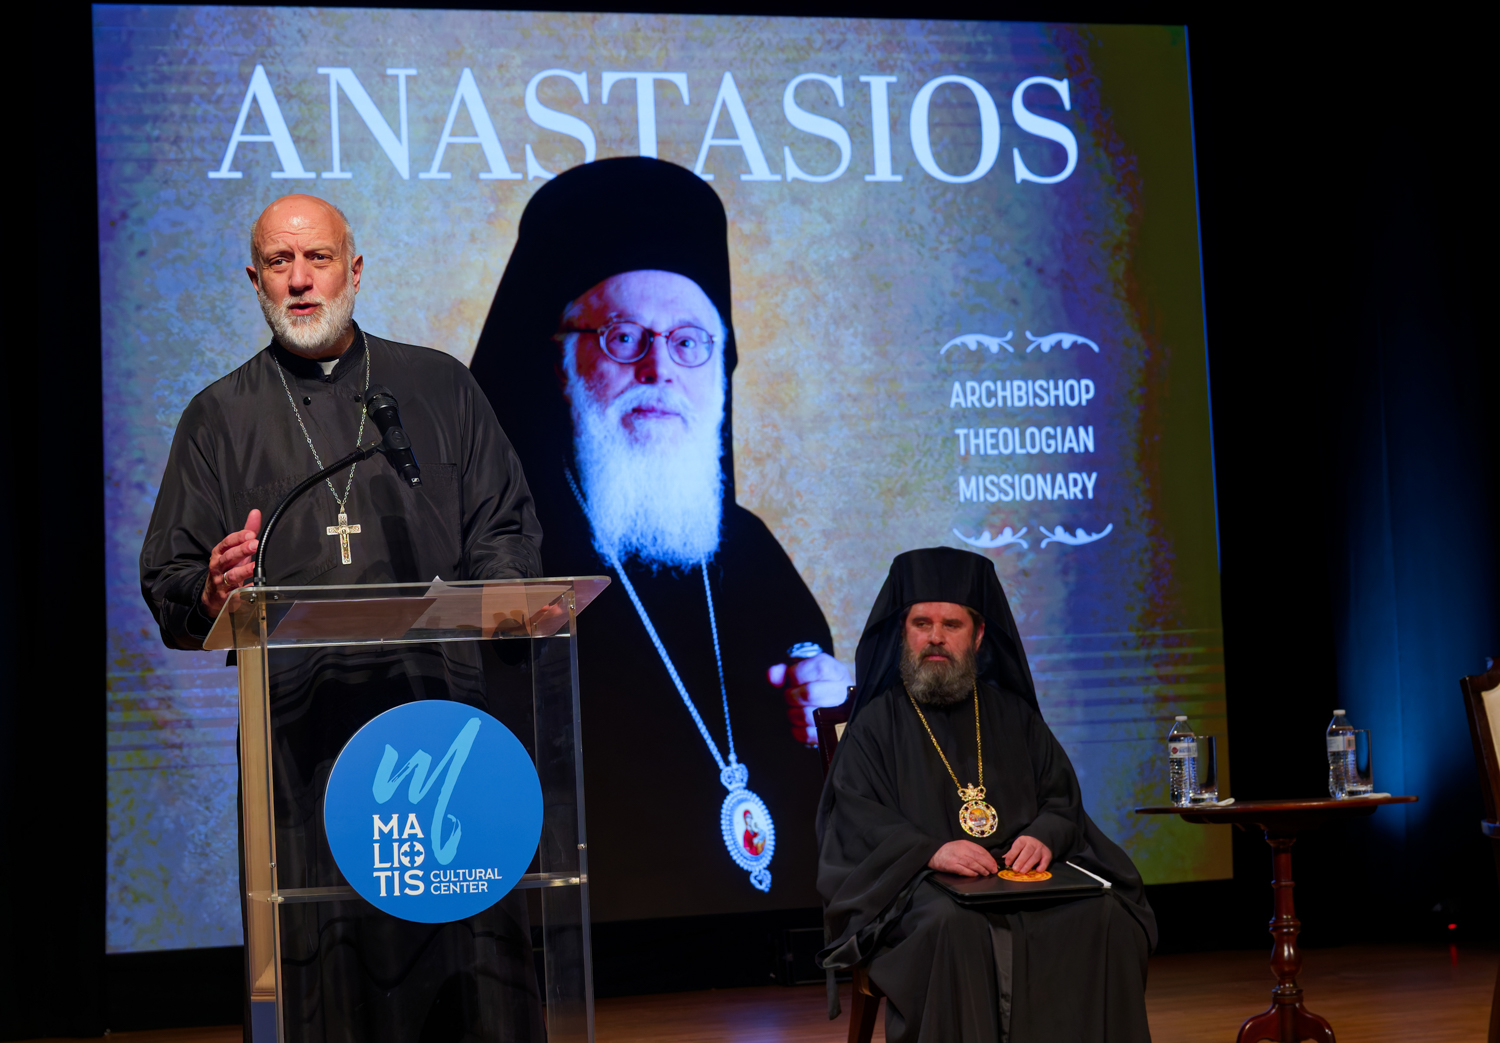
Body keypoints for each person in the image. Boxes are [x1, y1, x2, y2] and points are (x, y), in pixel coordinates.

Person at [139, 194, 544, 1042]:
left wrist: (499, 598)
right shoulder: (219, 416)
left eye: (317, 259)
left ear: (353, 271)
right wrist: (213, 590)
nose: (299, 280)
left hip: (442, 732)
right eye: (279, 263)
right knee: (325, 975)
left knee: (466, 966)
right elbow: (170, 579)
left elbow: (504, 525)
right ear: (254, 280)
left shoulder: (438, 386)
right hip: (303, 749)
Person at [469, 157, 848, 915]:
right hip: (589, 939)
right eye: (621, 338)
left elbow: (820, 745)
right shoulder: (499, 549)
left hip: (774, 944)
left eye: (689, 342)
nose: (659, 369)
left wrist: (831, 706)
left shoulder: (750, 553)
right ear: (557, 360)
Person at [817, 547, 1156, 1042]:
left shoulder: (1013, 715)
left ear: (977, 635)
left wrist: (1043, 835)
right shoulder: (874, 725)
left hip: (1019, 878)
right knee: (951, 924)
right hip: (918, 887)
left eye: (951, 624)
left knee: (1106, 914)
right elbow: (855, 820)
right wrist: (930, 851)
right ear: (903, 633)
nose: (935, 637)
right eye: (922, 623)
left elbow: (1061, 800)